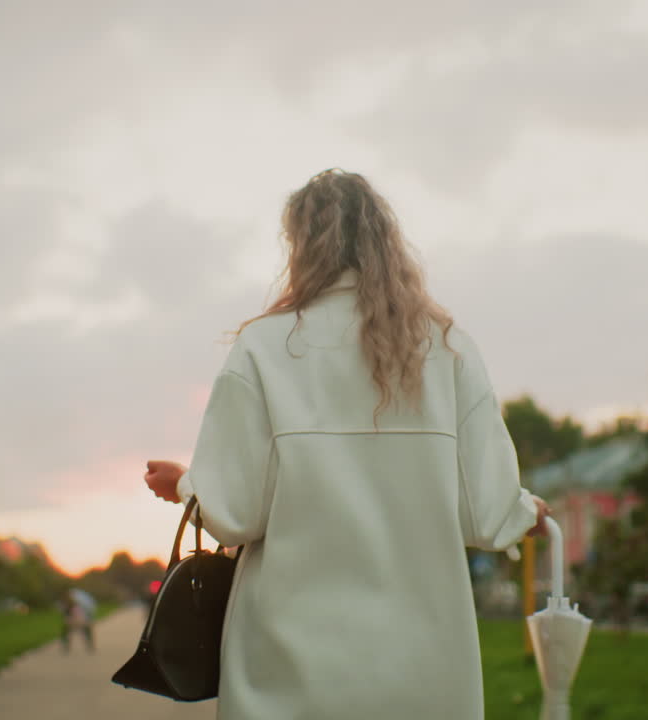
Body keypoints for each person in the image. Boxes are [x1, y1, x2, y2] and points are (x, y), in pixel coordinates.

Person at [143, 168, 549, 720]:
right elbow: (487, 513)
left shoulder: (264, 348)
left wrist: (187, 484)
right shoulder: (449, 349)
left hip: (288, 675)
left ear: (302, 247)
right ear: (386, 242)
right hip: (424, 676)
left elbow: (234, 513)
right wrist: (525, 509)